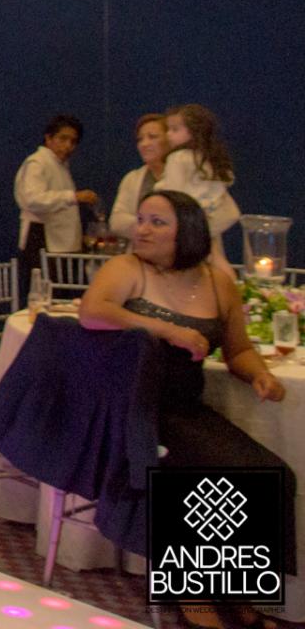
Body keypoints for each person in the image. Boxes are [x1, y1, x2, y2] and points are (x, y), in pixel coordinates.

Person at [79, 189, 293, 629]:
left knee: (270, 472)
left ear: (189, 232)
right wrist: (167, 328)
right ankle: (194, 599)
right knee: (205, 471)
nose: (142, 229)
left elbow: (238, 350)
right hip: (134, 409)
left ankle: (237, 594)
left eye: (157, 222)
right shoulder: (127, 269)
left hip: (183, 409)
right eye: (141, 219)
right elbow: (92, 312)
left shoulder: (218, 282)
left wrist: (260, 375)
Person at [13, 115, 96, 299]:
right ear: (48, 138)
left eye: (73, 141)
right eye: (62, 139)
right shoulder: (37, 162)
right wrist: (73, 196)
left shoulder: (60, 166)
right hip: (40, 238)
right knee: (44, 298)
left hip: (60, 243)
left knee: (61, 297)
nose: (67, 146)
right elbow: (32, 199)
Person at [162, 103, 240, 266]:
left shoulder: (177, 159)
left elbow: (173, 197)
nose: (168, 134)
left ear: (193, 131)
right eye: (168, 129)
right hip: (209, 228)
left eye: (175, 130)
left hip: (186, 232)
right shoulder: (208, 160)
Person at [108, 113, 169, 239]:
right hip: (140, 249)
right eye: (140, 139)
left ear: (170, 140)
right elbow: (116, 222)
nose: (144, 144)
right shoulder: (132, 179)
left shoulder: (185, 176)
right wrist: (156, 225)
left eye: (152, 137)